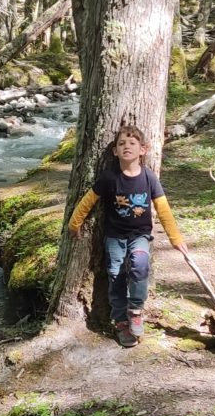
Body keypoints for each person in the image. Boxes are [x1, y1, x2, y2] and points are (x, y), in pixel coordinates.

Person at [67, 124, 189, 347]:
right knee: (115, 274)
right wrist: (75, 223)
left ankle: (135, 310)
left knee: (140, 265)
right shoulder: (109, 178)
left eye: (132, 143)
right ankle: (121, 322)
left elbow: (163, 209)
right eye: (121, 143)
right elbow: (87, 201)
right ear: (114, 151)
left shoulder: (149, 178)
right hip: (114, 236)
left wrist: (176, 239)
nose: (126, 146)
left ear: (143, 149)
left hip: (140, 235)